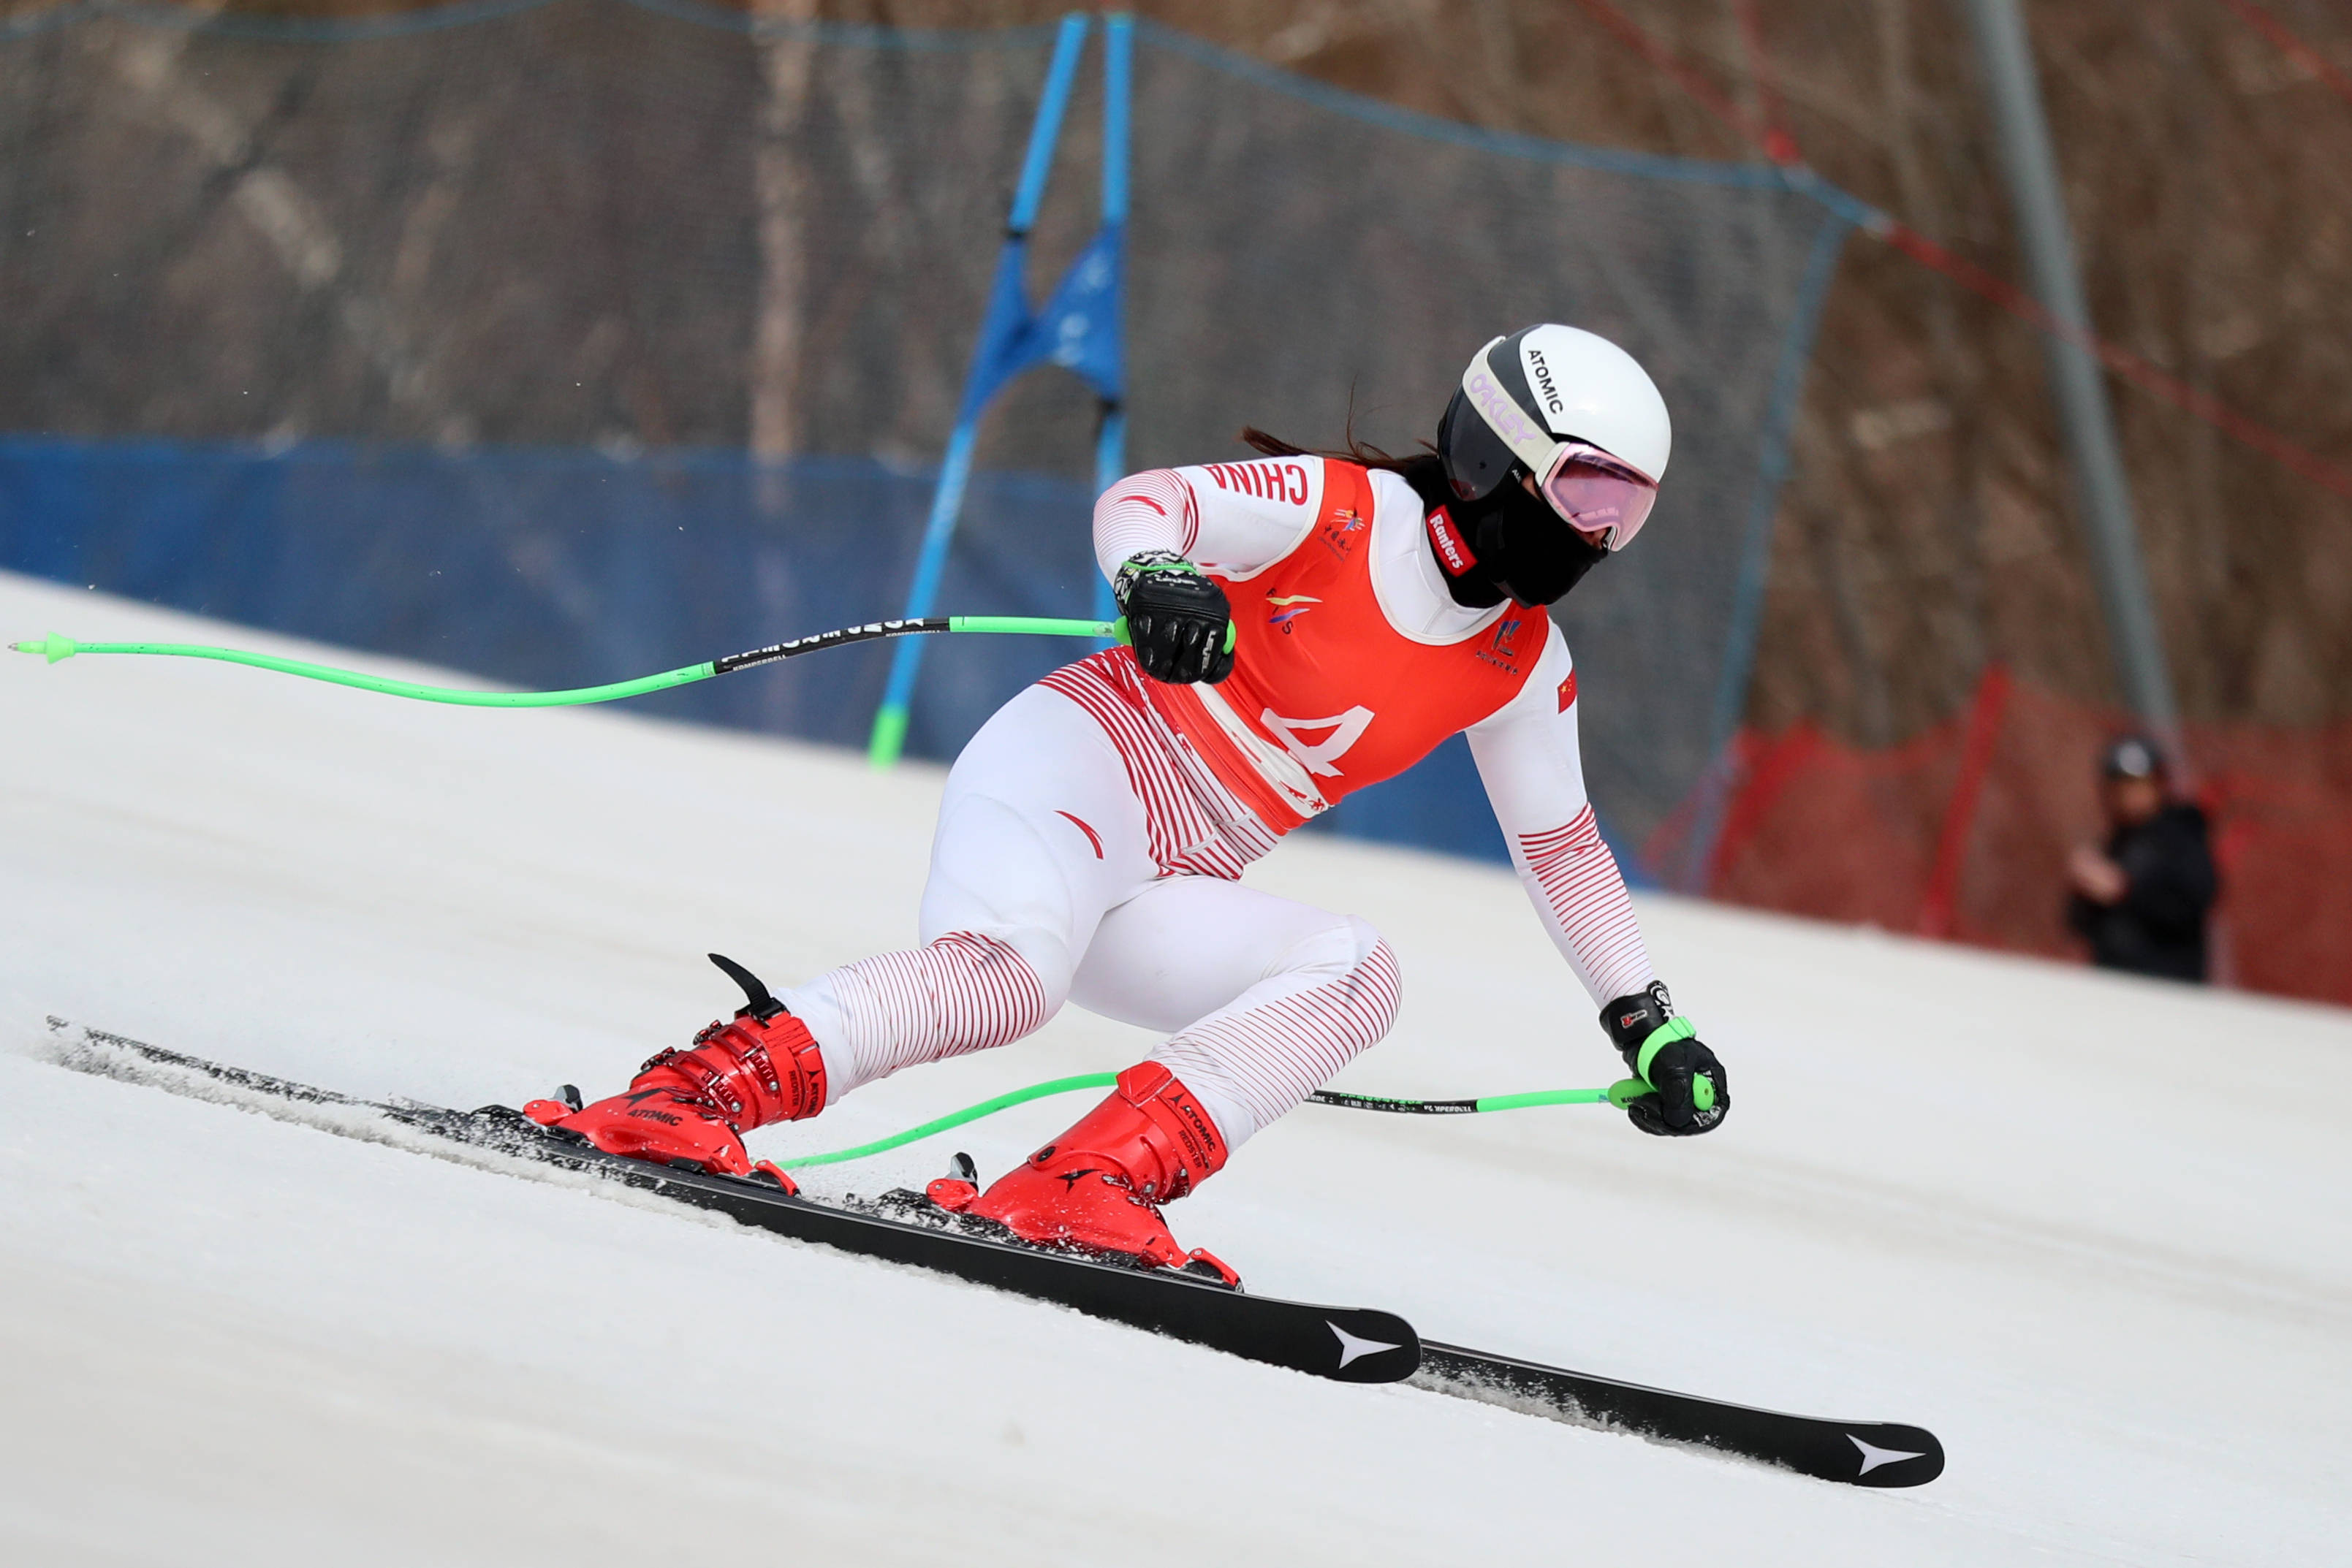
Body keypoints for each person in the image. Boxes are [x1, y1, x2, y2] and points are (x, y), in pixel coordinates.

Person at [532, 324, 1729, 1283]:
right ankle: (679, 1102)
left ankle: (1084, 1184)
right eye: (1583, 492)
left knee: (1358, 974)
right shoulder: (1338, 511)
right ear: (1492, 456)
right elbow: (1149, 502)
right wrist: (1156, 574)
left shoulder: (1522, 661)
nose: (1599, 535)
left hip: (1177, 875)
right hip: (1079, 770)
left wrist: (1643, 1020)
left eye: (1626, 509)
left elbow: (1561, 846)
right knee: (1007, 979)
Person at [2065, 735, 2218, 983]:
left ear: (2158, 785)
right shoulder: (2116, 842)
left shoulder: (2181, 836)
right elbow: (2081, 924)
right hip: (2114, 983)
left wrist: (2124, 889)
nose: (2129, 796)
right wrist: (2085, 889)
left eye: (2138, 785)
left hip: (2167, 988)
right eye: (2120, 787)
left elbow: (2193, 901)